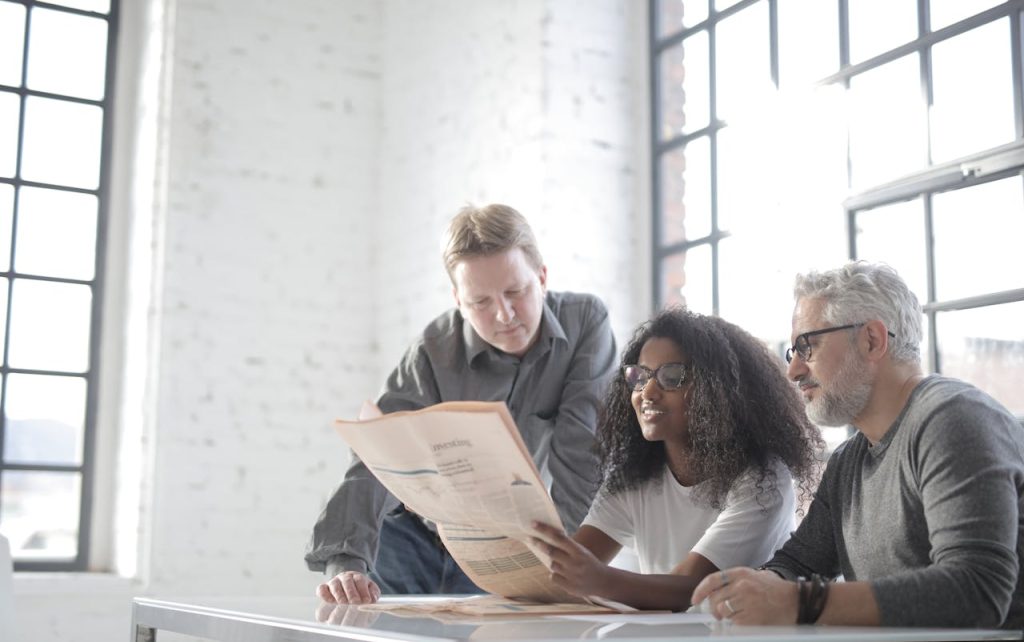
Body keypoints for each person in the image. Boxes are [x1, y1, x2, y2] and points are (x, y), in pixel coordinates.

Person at [306, 203, 618, 604]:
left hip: (509, 550)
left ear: (542, 277)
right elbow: (377, 456)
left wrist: (566, 569)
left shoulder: (585, 323)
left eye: (515, 292)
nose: (504, 315)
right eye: (480, 302)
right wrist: (345, 563)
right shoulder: (433, 350)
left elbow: (583, 455)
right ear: (457, 299)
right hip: (410, 540)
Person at [692, 261, 1024, 628]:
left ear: (872, 340)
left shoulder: (953, 419)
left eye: (808, 346)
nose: (793, 371)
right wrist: (756, 589)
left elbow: (977, 591)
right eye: (793, 353)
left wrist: (800, 602)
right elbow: (798, 565)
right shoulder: (849, 460)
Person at [529, 307, 822, 611]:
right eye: (639, 377)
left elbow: (692, 590)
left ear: (718, 389)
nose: (647, 392)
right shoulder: (634, 476)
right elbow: (569, 568)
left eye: (671, 377)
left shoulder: (763, 480)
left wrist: (599, 580)